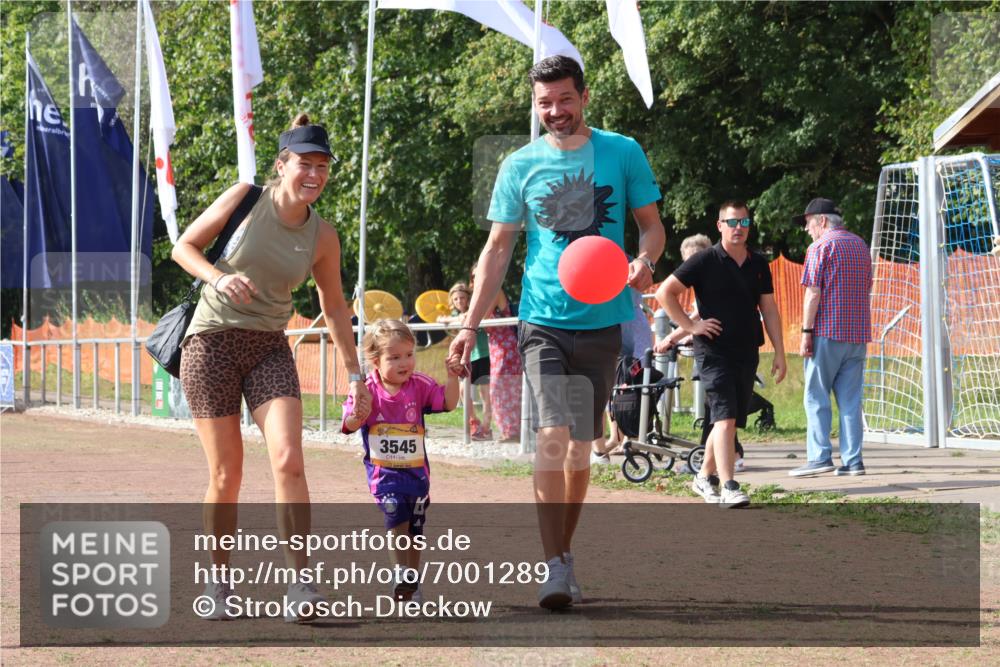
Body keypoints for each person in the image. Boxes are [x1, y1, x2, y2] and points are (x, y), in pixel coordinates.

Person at [447, 55, 665, 609]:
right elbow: (497, 249)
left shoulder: (622, 151)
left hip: (601, 325)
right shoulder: (519, 165)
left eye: (564, 100)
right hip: (542, 321)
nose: (555, 111)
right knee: (550, 438)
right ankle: (553, 566)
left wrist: (643, 262)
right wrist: (468, 326)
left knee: (578, 452)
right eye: (545, 103)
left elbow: (652, 227)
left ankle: (564, 556)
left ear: (584, 96)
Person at [173, 114, 372, 621]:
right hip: (210, 343)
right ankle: (220, 587)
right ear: (282, 165)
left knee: (288, 459)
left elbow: (334, 308)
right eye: (306, 164)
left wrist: (355, 375)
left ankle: (301, 585)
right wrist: (218, 279)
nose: (316, 175)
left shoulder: (323, 236)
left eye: (323, 167)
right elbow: (184, 247)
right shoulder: (245, 199)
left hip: (268, 347)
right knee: (227, 473)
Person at [656, 201, 786, 508]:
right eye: (731, 223)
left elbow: (768, 308)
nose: (738, 228)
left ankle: (703, 477)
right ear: (720, 226)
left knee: (725, 421)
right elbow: (665, 293)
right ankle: (729, 485)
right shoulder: (704, 260)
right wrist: (690, 325)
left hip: (746, 349)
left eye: (743, 222)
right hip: (713, 352)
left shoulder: (758, 263)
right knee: (725, 418)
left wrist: (780, 351)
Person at [341, 319, 460, 602]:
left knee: (415, 527)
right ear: (374, 361)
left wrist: (452, 377)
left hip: (417, 475)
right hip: (384, 475)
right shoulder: (366, 389)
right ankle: (399, 573)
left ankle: (412, 581)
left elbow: (449, 402)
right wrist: (358, 415)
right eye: (394, 357)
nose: (404, 362)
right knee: (395, 515)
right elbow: (348, 424)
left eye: (409, 354)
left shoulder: (419, 385)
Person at [789, 198, 872, 477]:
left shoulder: (820, 247)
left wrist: (806, 332)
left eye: (808, 223)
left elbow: (813, 292)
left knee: (816, 396)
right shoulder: (861, 245)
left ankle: (820, 456)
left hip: (827, 332)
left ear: (822, 221)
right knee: (850, 400)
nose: (807, 230)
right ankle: (853, 461)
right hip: (857, 333)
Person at [656, 233, 747, 471]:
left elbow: (699, 316)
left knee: (718, 410)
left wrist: (673, 336)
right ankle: (724, 458)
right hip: (722, 347)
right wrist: (688, 333)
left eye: (692, 260)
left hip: (720, 350)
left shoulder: (712, 272)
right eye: (686, 261)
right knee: (721, 409)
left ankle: (715, 463)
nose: (689, 267)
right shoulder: (711, 272)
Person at [440, 282, 493, 440]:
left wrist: (466, 317)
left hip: (482, 355)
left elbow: (478, 318)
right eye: (455, 299)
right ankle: (473, 422)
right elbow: (441, 318)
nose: (459, 301)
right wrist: (450, 318)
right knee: (463, 390)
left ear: (469, 298)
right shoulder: (457, 316)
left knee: (485, 393)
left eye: (462, 297)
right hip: (466, 357)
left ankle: (486, 426)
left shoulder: (476, 311)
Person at [485, 281, 522, 442]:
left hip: (507, 347)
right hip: (496, 347)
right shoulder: (483, 296)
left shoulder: (494, 290)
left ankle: (513, 431)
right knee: (503, 389)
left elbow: (480, 315)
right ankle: (511, 431)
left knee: (502, 389)